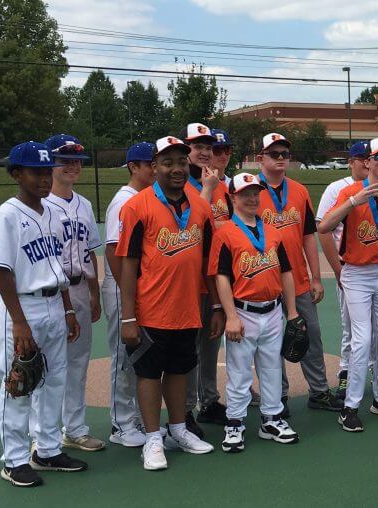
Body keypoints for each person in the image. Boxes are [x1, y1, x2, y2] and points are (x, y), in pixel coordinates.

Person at [117, 136, 217, 470]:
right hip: (150, 310)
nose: (176, 169)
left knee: (179, 370)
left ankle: (177, 430)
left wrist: (216, 306)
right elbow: (128, 263)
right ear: (155, 167)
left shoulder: (201, 206)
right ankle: (152, 439)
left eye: (180, 162)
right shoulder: (138, 206)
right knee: (148, 374)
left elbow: (209, 264)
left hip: (187, 308)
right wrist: (128, 316)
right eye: (167, 163)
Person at [0, 141, 87, 487]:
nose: (45, 179)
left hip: (53, 305)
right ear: (17, 174)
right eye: (36, 172)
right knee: (20, 383)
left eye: (48, 172)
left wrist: (67, 310)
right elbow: (3, 271)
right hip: (23, 305)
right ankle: (14, 460)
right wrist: (18, 322)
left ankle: (46, 449)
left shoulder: (50, 212)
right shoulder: (6, 215)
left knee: (53, 380)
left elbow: (57, 265)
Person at [319, 137, 378, 432]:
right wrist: (352, 203)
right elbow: (323, 227)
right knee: (361, 340)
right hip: (357, 273)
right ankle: (350, 406)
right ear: (367, 162)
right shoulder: (349, 191)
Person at [210, 173, 301, 452]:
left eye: (255, 193)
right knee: (239, 372)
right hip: (243, 311)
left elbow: (285, 271)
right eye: (245, 193)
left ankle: (271, 419)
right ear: (232, 198)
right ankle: (234, 423)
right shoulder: (225, 232)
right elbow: (221, 277)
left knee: (272, 366)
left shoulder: (273, 230)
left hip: (273, 310)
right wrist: (231, 316)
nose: (251, 198)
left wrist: (293, 311)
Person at [254, 133, 338, 415]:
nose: (280, 159)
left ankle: (319, 391)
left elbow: (308, 237)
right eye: (274, 154)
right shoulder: (248, 191)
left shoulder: (299, 191)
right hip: (264, 280)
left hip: (299, 280)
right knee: (271, 341)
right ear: (260, 158)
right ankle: (278, 396)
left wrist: (316, 276)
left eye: (284, 154)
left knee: (310, 334)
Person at [37, 135, 105, 453]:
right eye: (65, 159)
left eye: (77, 160)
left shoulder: (85, 204)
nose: (73, 165)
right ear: (50, 163)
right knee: (48, 365)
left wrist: (95, 293)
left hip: (78, 289)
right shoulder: (39, 205)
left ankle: (74, 429)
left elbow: (90, 253)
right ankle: (41, 435)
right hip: (50, 294)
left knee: (78, 363)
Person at [102, 142, 154, 447]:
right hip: (122, 286)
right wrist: (127, 295)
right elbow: (112, 250)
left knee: (137, 356)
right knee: (123, 356)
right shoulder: (124, 201)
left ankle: (132, 417)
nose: (153, 169)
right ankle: (120, 424)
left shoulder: (143, 198)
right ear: (133, 167)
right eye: (149, 164)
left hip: (134, 288)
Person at [178, 122, 227, 436]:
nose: (204, 152)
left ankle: (209, 401)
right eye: (198, 147)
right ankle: (185, 410)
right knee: (188, 350)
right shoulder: (179, 185)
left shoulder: (222, 184)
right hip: (189, 282)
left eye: (208, 147)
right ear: (187, 151)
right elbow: (191, 227)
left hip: (216, 277)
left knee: (211, 344)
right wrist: (207, 190)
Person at [317, 141, 374, 402]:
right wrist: (338, 271)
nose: (365, 162)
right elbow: (324, 231)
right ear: (350, 162)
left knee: (377, 327)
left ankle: (375, 371)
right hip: (350, 268)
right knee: (351, 327)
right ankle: (345, 374)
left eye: (368, 157)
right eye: (360, 157)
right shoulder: (336, 188)